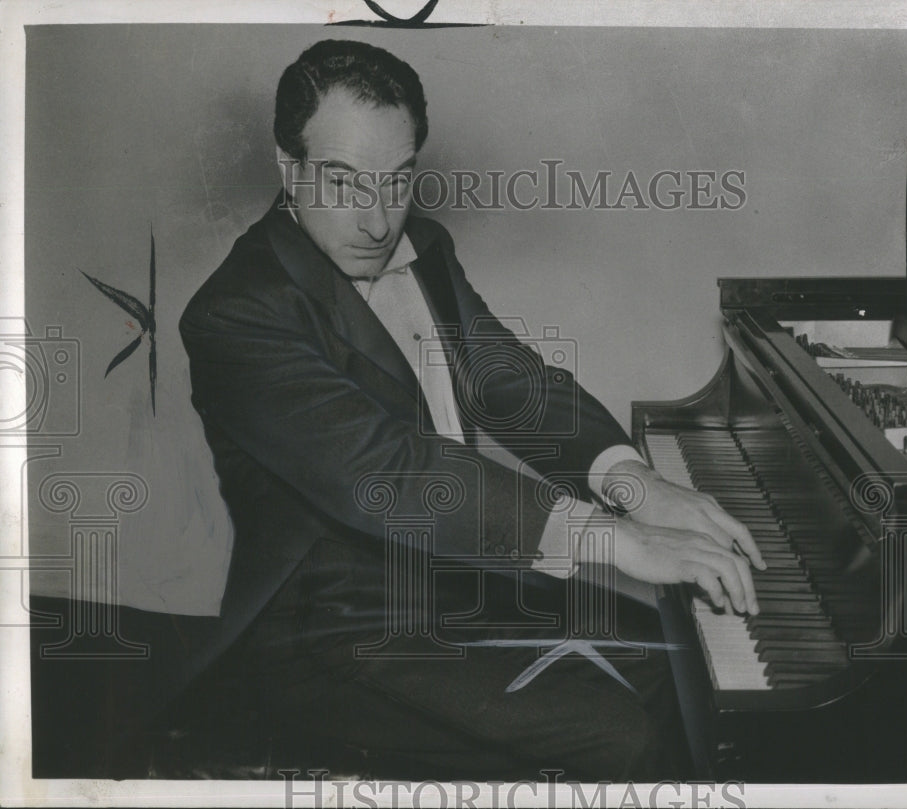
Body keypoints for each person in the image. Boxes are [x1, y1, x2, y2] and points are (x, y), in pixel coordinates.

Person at [178, 38, 763, 782]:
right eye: (343, 182)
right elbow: (392, 473)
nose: (376, 220)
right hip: (342, 635)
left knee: (685, 670)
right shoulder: (237, 313)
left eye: (396, 182)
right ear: (286, 169)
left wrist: (640, 488)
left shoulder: (424, 248)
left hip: (467, 581)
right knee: (618, 736)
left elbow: (516, 385)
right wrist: (619, 540)